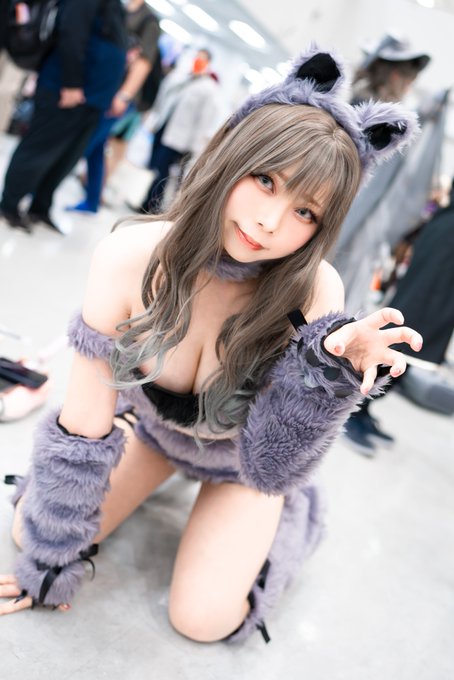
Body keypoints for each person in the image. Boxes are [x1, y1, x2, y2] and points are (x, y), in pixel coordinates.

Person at [0, 48, 423, 643]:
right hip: (150, 432)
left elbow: (273, 463)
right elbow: (83, 427)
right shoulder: (131, 258)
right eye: (265, 180)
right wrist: (50, 560)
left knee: (202, 620)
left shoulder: (314, 290)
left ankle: (293, 522)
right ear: (233, 154)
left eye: (305, 211)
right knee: (31, 534)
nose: (270, 222)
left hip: (241, 466)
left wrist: (326, 382)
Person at [0, 0, 128, 234]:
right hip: (65, 90)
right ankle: (9, 205)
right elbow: (72, 32)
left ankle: (40, 207)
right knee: (38, 150)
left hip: (93, 99)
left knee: (65, 158)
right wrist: (71, 83)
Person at [66, 0, 161, 215]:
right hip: (106, 89)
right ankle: (92, 200)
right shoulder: (122, 9)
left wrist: (124, 96)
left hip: (119, 96)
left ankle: (44, 190)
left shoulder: (149, 21)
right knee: (97, 148)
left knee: (85, 144)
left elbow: (144, 62)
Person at [139, 48, 221, 213]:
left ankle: (154, 208)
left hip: (180, 141)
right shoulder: (185, 79)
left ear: (208, 64)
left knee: (165, 175)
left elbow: (203, 121)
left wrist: (193, 147)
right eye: (196, 57)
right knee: (156, 170)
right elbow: (167, 103)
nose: (197, 61)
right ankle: (148, 203)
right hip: (164, 131)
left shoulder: (209, 88)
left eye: (202, 59)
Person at [350, 33, 430, 105]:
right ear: (395, 76)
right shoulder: (364, 105)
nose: (407, 90)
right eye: (408, 83)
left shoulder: (359, 95)